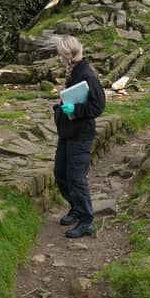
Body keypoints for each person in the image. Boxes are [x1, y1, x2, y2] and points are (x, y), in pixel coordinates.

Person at [53, 35, 105, 238]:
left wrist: (75, 108)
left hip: (80, 134)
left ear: (68, 55)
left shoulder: (87, 76)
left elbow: (98, 105)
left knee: (76, 177)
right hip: (67, 132)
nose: (59, 58)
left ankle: (86, 220)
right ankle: (75, 207)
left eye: (61, 55)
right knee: (61, 173)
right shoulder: (74, 71)